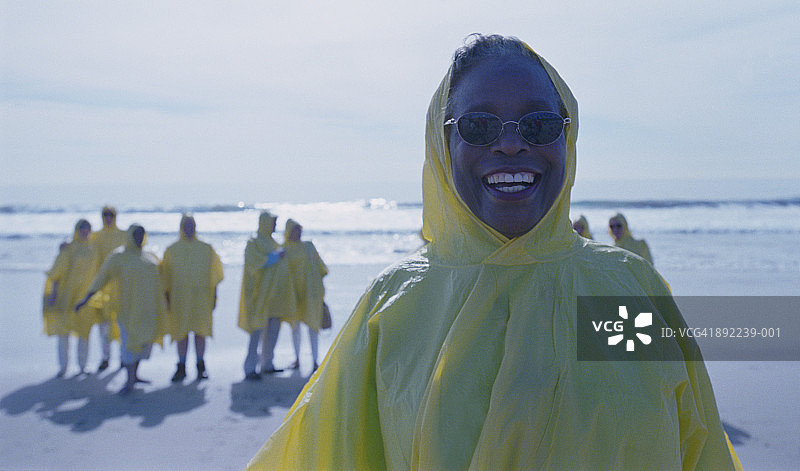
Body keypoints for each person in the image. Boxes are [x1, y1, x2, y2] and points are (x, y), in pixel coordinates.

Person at [247, 34, 740, 470]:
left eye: (539, 124)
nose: (509, 144)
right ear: (442, 143)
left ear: (567, 136)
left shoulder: (622, 291)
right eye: (479, 126)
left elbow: (695, 445)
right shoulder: (394, 307)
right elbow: (328, 453)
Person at [75, 225, 169, 395]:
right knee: (129, 345)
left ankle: (135, 375)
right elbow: (102, 277)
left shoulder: (150, 256)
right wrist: (86, 298)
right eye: (135, 234)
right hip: (128, 310)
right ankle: (129, 381)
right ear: (129, 235)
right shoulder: (119, 256)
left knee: (144, 344)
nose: (138, 238)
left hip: (148, 310)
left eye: (141, 234)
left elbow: (164, 277)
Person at [161, 214, 224, 382]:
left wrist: (214, 297)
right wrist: (167, 299)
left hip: (201, 299)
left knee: (200, 332)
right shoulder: (171, 250)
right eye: (186, 225)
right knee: (181, 333)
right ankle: (181, 366)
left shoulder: (206, 249)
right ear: (181, 227)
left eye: (191, 225)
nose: (189, 228)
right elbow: (165, 278)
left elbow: (215, 275)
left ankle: (200, 365)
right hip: (179, 300)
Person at [237, 211, 291, 380]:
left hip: (275, 296)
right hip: (259, 295)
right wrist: (275, 256)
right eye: (272, 222)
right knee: (256, 332)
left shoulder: (275, 243)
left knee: (273, 330)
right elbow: (255, 264)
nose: (274, 225)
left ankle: (267, 363)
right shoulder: (253, 243)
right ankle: (250, 368)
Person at [43, 219, 100, 377]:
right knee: (64, 334)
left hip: (85, 298)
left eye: (87, 227)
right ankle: (63, 367)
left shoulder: (94, 248)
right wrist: (53, 293)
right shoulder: (69, 248)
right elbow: (56, 272)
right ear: (77, 229)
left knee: (84, 333)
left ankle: (82, 366)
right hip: (66, 296)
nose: (84, 230)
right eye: (82, 227)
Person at [283, 219, 327, 372]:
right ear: (289, 232)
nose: (299, 233)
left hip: (311, 293)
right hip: (293, 294)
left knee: (313, 326)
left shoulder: (309, 246)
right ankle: (296, 359)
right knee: (295, 327)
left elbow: (321, 268)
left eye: (300, 230)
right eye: (295, 230)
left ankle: (315, 360)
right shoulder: (284, 249)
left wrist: (318, 290)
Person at [88, 205, 128, 371]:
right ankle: (105, 357)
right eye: (105, 214)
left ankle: (123, 357)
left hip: (120, 287)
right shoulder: (95, 236)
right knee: (104, 326)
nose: (108, 218)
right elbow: (81, 245)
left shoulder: (124, 235)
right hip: (102, 287)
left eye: (111, 214)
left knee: (121, 324)